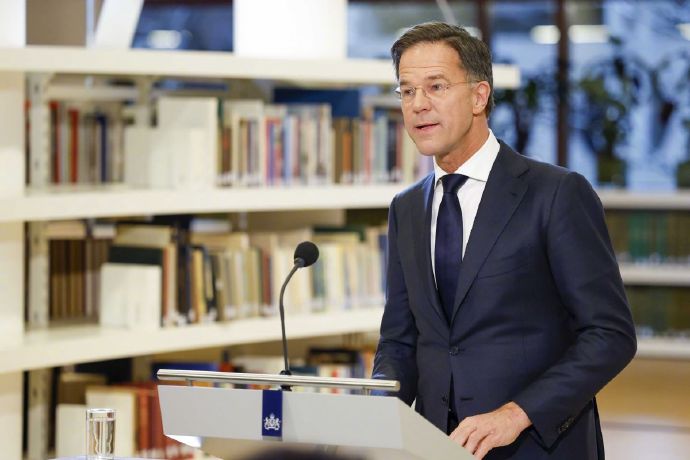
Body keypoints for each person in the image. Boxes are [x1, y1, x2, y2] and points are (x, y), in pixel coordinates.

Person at [372, 21, 636, 460]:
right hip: (438, 447)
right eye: (407, 91)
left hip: (537, 446)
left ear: (480, 96)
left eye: (436, 87)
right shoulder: (406, 207)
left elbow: (610, 334)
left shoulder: (556, 193)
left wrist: (517, 414)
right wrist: (376, 412)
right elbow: (400, 339)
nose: (418, 105)